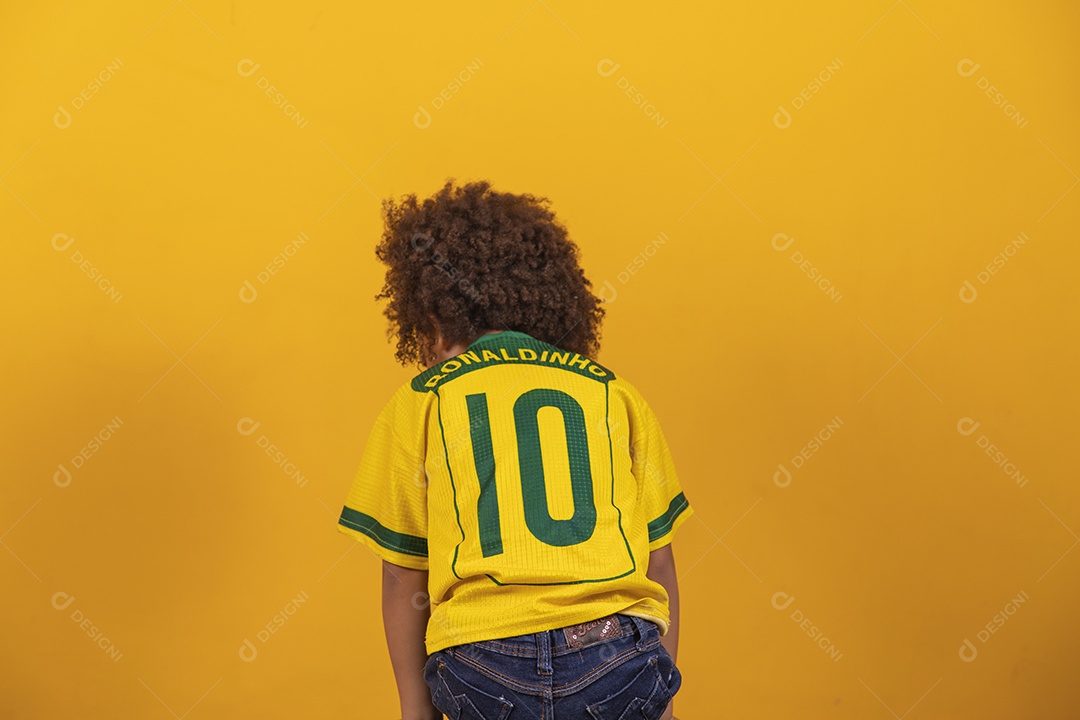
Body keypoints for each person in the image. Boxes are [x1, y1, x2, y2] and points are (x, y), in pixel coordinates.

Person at [337, 179, 693, 720]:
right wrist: (653, 695)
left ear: (431, 316)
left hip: (483, 661)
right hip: (613, 652)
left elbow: (401, 575)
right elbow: (659, 559)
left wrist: (415, 710)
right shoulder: (612, 392)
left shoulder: (423, 400)